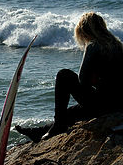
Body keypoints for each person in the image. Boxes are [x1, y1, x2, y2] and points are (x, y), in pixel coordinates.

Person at [16, 12, 123, 142]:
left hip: (102, 105)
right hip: (117, 104)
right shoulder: (118, 45)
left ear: (85, 31)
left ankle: (58, 126)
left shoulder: (93, 45)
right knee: (68, 113)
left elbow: (83, 81)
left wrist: (95, 80)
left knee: (64, 75)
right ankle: (37, 132)